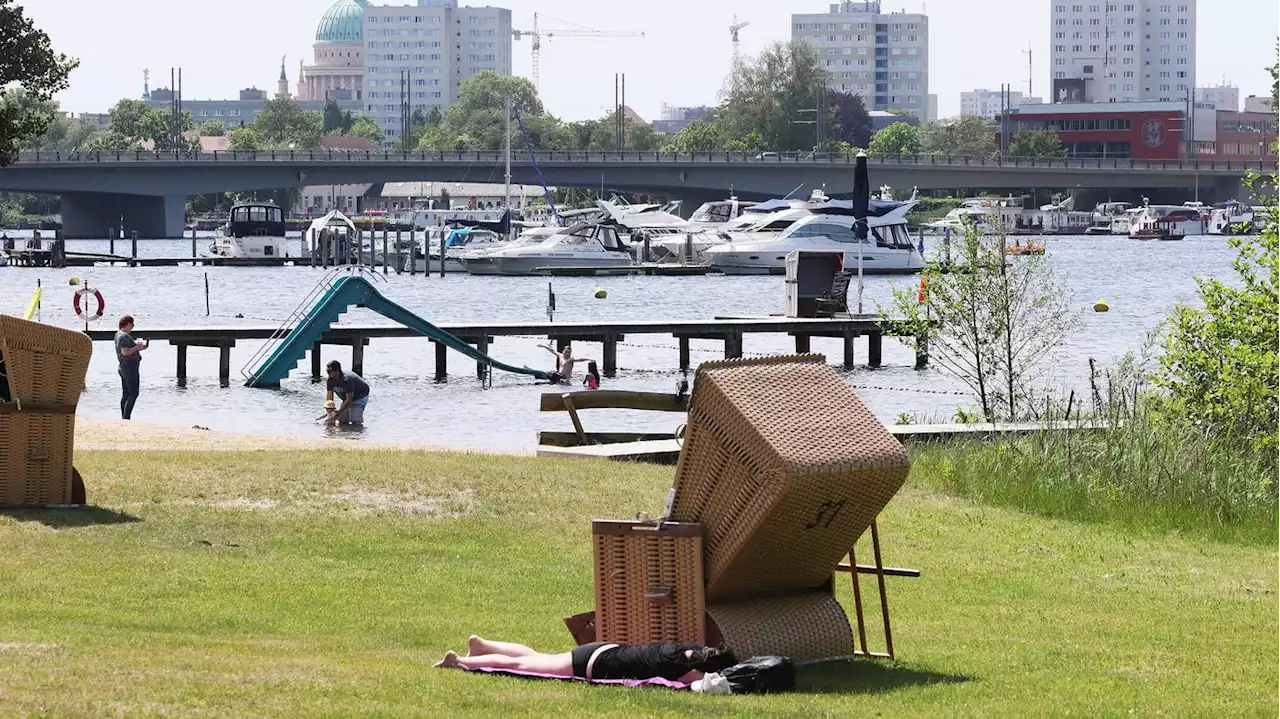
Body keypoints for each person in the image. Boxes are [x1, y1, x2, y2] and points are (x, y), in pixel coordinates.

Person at [434, 636, 736, 684]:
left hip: (602, 648)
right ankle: (460, 661)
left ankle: (482, 646)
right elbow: (697, 684)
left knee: (541, 658)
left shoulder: (686, 648)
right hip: (591, 665)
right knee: (524, 668)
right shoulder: (687, 672)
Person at [114, 315, 148, 420]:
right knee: (133, 393)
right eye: (132, 325)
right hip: (129, 367)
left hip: (123, 366)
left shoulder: (118, 334)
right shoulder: (124, 336)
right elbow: (125, 352)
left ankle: (124, 417)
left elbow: (128, 350)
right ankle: (126, 417)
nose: (132, 328)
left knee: (126, 394)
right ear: (128, 324)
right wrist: (137, 347)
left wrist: (139, 348)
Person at [324, 360, 369, 425]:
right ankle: (345, 434)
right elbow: (329, 398)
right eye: (327, 371)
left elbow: (349, 400)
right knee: (342, 420)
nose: (328, 373)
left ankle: (358, 433)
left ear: (337, 371)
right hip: (346, 398)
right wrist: (330, 410)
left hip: (360, 396)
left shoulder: (347, 380)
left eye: (329, 371)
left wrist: (338, 413)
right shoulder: (330, 380)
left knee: (355, 420)